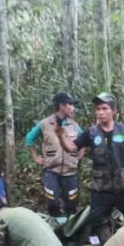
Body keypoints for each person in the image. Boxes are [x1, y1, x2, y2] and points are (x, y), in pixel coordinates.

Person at [59, 92, 124, 242]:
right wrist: (61, 135)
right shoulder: (91, 133)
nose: (100, 112)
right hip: (101, 189)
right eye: (98, 109)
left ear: (113, 111)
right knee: (99, 221)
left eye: (104, 108)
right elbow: (71, 147)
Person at [25, 92, 85, 223]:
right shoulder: (45, 124)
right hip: (51, 170)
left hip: (70, 171)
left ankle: (71, 229)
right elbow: (29, 139)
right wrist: (36, 157)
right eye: (70, 105)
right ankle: (55, 227)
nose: (73, 108)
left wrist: (79, 156)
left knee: (72, 203)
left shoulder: (74, 125)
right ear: (62, 106)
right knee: (52, 202)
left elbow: (83, 141)